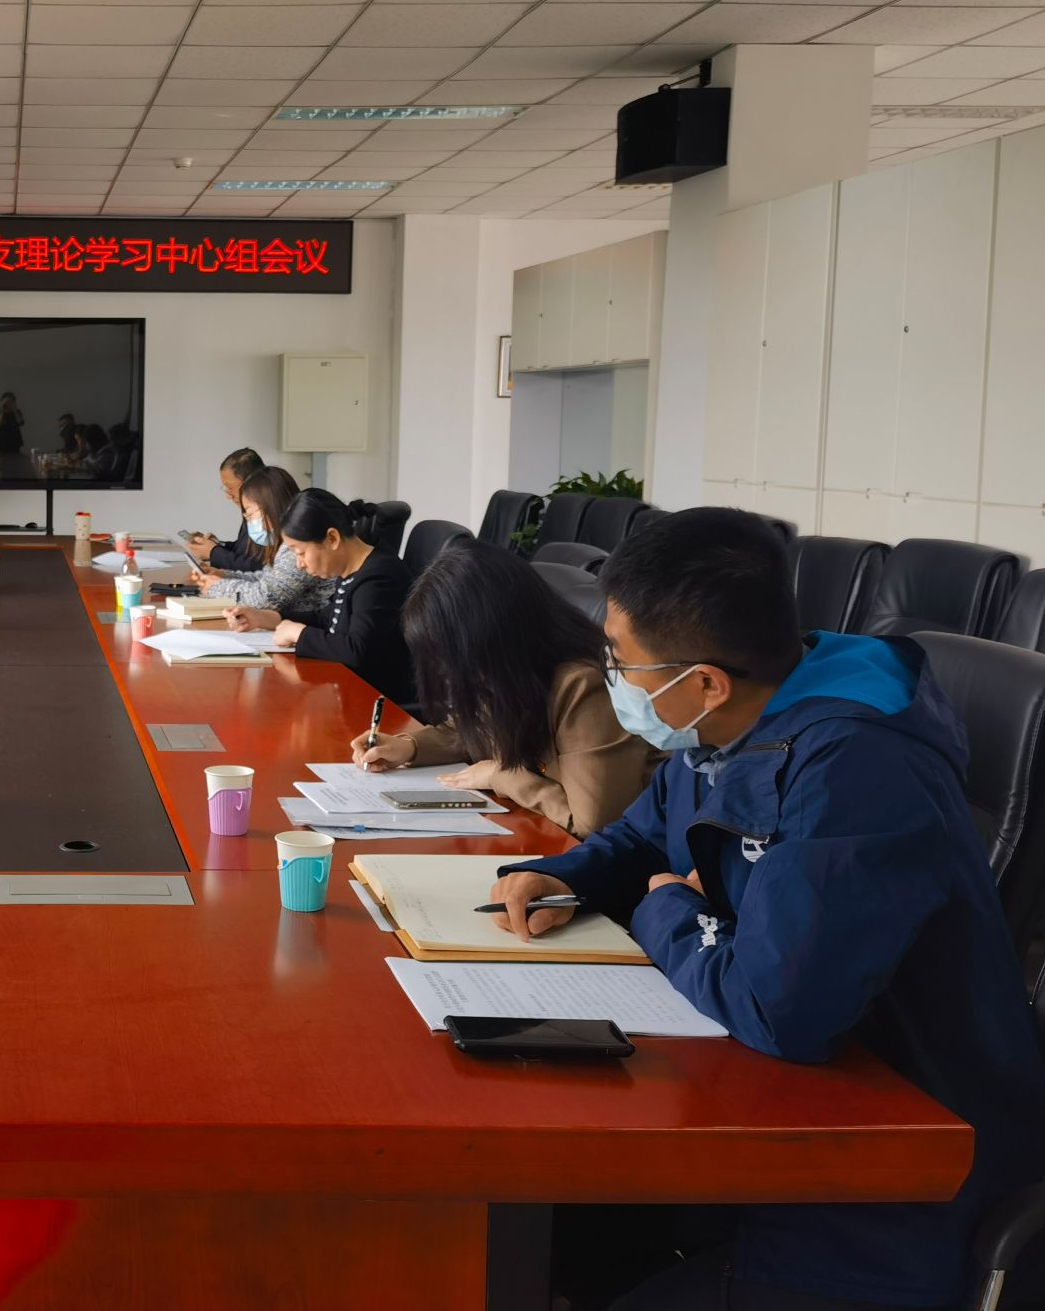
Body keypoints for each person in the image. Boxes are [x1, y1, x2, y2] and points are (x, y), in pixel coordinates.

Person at [490, 508, 1045, 1311]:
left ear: (704, 682)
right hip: (763, 1129)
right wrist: (561, 874)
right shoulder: (730, 721)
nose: (613, 677)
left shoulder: (856, 769)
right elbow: (648, 836)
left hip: (885, 1198)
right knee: (544, 1236)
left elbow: (780, 1010)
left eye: (622, 661)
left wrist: (664, 913)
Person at [353, 543, 657, 837]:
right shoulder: (512, 670)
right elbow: (476, 727)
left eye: (451, 654)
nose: (448, 670)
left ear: (494, 636)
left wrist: (501, 775)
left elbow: (593, 823)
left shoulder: (582, 685)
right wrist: (408, 747)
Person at [222, 487, 415, 705]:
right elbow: (328, 618)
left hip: (377, 703)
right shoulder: (352, 570)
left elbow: (357, 651)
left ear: (332, 538)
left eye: (301, 553)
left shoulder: (379, 578)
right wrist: (266, 618)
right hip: (349, 691)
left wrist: (299, 633)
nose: (299, 564)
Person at [189, 465, 335, 618]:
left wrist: (216, 587)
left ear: (271, 507)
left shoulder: (298, 547)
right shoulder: (286, 544)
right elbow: (267, 580)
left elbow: (266, 598)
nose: (249, 521)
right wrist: (224, 575)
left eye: (250, 513)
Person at [184, 449, 264, 570]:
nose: (228, 496)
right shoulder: (251, 509)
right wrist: (217, 545)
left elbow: (258, 567)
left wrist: (214, 553)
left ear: (251, 482)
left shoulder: (269, 513)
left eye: (231, 488)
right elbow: (244, 551)